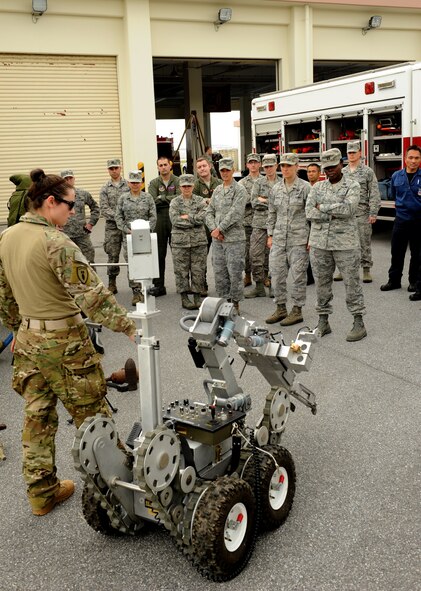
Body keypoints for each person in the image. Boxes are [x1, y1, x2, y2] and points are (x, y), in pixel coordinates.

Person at [0, 168, 136, 516]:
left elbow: (4, 294)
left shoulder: (8, 236)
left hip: (29, 340)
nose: (73, 212)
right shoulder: (56, 243)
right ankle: (122, 493)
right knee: (94, 416)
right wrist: (130, 328)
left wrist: (17, 328)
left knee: (37, 418)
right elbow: (93, 297)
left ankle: (42, 494)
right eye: (70, 205)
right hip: (64, 343)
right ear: (49, 202)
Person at [306, 148, 367, 342]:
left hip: (345, 244)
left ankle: (358, 322)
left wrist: (322, 207)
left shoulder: (353, 185)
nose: (330, 170)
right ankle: (323, 321)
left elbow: (349, 209)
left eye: (333, 166)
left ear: (341, 164)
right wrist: (333, 210)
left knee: (352, 283)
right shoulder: (316, 188)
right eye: (326, 168)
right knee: (322, 285)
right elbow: (308, 212)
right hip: (319, 244)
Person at [266, 153, 311, 326]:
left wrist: (311, 238)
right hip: (278, 239)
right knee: (276, 275)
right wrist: (270, 234)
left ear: (297, 166)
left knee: (298, 276)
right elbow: (272, 213)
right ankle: (281, 308)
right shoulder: (276, 189)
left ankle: (297, 310)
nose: (285, 169)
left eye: (289, 166)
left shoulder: (305, 188)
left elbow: (312, 215)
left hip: (299, 240)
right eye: (283, 166)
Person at [205, 157, 247, 313]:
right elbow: (209, 212)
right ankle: (224, 303)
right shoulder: (217, 190)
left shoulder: (240, 189)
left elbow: (236, 213)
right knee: (219, 272)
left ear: (233, 170)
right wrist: (213, 230)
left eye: (227, 170)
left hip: (234, 240)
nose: (224, 173)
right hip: (218, 240)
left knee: (235, 272)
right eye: (222, 170)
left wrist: (219, 229)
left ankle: (235, 304)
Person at [380, 145, 421, 300]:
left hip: (418, 221)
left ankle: (413, 282)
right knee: (396, 253)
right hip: (401, 220)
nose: (413, 161)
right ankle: (394, 280)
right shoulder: (396, 176)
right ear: (405, 159)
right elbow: (393, 194)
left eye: (417, 158)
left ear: (420, 160)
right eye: (410, 157)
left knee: (417, 254)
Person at [339, 141, 381, 283]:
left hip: (362, 213)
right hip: (345, 214)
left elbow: (374, 192)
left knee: (364, 242)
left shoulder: (367, 171)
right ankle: (343, 269)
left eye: (353, 152)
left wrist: (373, 212)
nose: (351, 155)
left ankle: (366, 269)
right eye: (349, 152)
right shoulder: (342, 172)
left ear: (360, 153)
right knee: (343, 243)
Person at [115, 170, 157, 305]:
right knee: (132, 265)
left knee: (145, 262)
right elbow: (118, 217)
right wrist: (127, 230)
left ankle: (145, 290)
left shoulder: (148, 197)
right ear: (128, 183)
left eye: (137, 182)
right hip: (129, 237)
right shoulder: (123, 198)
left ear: (141, 183)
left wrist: (147, 230)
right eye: (132, 182)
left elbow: (153, 216)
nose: (135, 185)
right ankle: (135, 292)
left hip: (145, 236)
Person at [169, 174, 208, 310]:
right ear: (180, 187)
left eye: (189, 186)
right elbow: (175, 220)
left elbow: (203, 217)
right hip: (180, 243)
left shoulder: (200, 201)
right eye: (184, 186)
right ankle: (184, 297)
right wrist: (194, 220)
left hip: (198, 242)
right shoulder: (174, 202)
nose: (186, 188)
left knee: (198, 270)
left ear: (193, 186)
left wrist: (187, 217)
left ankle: (197, 296)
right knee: (181, 271)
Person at [245, 153, 278, 298]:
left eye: (271, 166)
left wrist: (264, 200)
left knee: (274, 256)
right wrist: (270, 201)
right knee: (255, 255)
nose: (268, 169)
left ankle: (272, 284)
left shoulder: (281, 183)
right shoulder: (258, 182)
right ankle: (259, 285)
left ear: (276, 166)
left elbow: (282, 204)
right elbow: (253, 202)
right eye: (266, 167)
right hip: (258, 224)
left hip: (277, 224)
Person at [147, 156, 180, 296]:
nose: (163, 167)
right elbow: (152, 200)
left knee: (178, 254)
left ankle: (182, 285)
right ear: (158, 167)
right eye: (160, 165)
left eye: (165, 164)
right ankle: (159, 286)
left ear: (170, 165)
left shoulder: (178, 180)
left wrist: (162, 198)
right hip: (159, 219)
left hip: (174, 218)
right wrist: (167, 199)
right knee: (159, 254)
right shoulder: (154, 183)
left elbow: (179, 199)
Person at [193, 156, 222, 295]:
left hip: (219, 226)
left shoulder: (220, 183)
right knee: (201, 258)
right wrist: (206, 200)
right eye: (199, 167)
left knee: (219, 258)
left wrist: (207, 201)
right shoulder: (194, 186)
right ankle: (202, 284)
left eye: (204, 166)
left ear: (209, 166)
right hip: (202, 228)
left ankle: (222, 284)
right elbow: (193, 204)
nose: (202, 169)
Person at [99, 158, 128, 294]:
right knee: (112, 255)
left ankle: (136, 287)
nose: (114, 170)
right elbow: (104, 208)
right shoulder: (105, 188)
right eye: (111, 168)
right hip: (112, 227)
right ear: (108, 170)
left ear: (120, 168)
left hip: (128, 226)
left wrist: (123, 219)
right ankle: (112, 283)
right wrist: (118, 217)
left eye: (116, 167)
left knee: (131, 255)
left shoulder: (128, 185)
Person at [60, 169, 100, 264]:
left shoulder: (83, 194)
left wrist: (91, 224)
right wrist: (55, 226)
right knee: (67, 263)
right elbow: (50, 212)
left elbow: (95, 208)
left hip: (82, 235)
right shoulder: (57, 196)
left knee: (89, 262)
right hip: (65, 236)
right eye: (65, 179)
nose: (68, 181)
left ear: (74, 179)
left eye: (70, 178)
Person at [238, 153, 261, 288]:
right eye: (250, 162)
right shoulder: (241, 183)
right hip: (246, 222)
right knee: (246, 251)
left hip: (262, 221)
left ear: (259, 164)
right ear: (247, 165)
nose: (253, 165)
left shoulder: (264, 181)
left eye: (255, 162)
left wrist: (252, 199)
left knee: (262, 252)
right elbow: (242, 200)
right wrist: (257, 199)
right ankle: (247, 276)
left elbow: (270, 200)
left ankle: (262, 276)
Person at [305, 163, 321, 285]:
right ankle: (309, 276)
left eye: (313, 171)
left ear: (319, 173)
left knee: (317, 251)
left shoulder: (322, 187)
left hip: (318, 221)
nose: (311, 174)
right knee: (306, 249)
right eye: (309, 171)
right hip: (305, 221)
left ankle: (320, 274)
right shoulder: (304, 187)